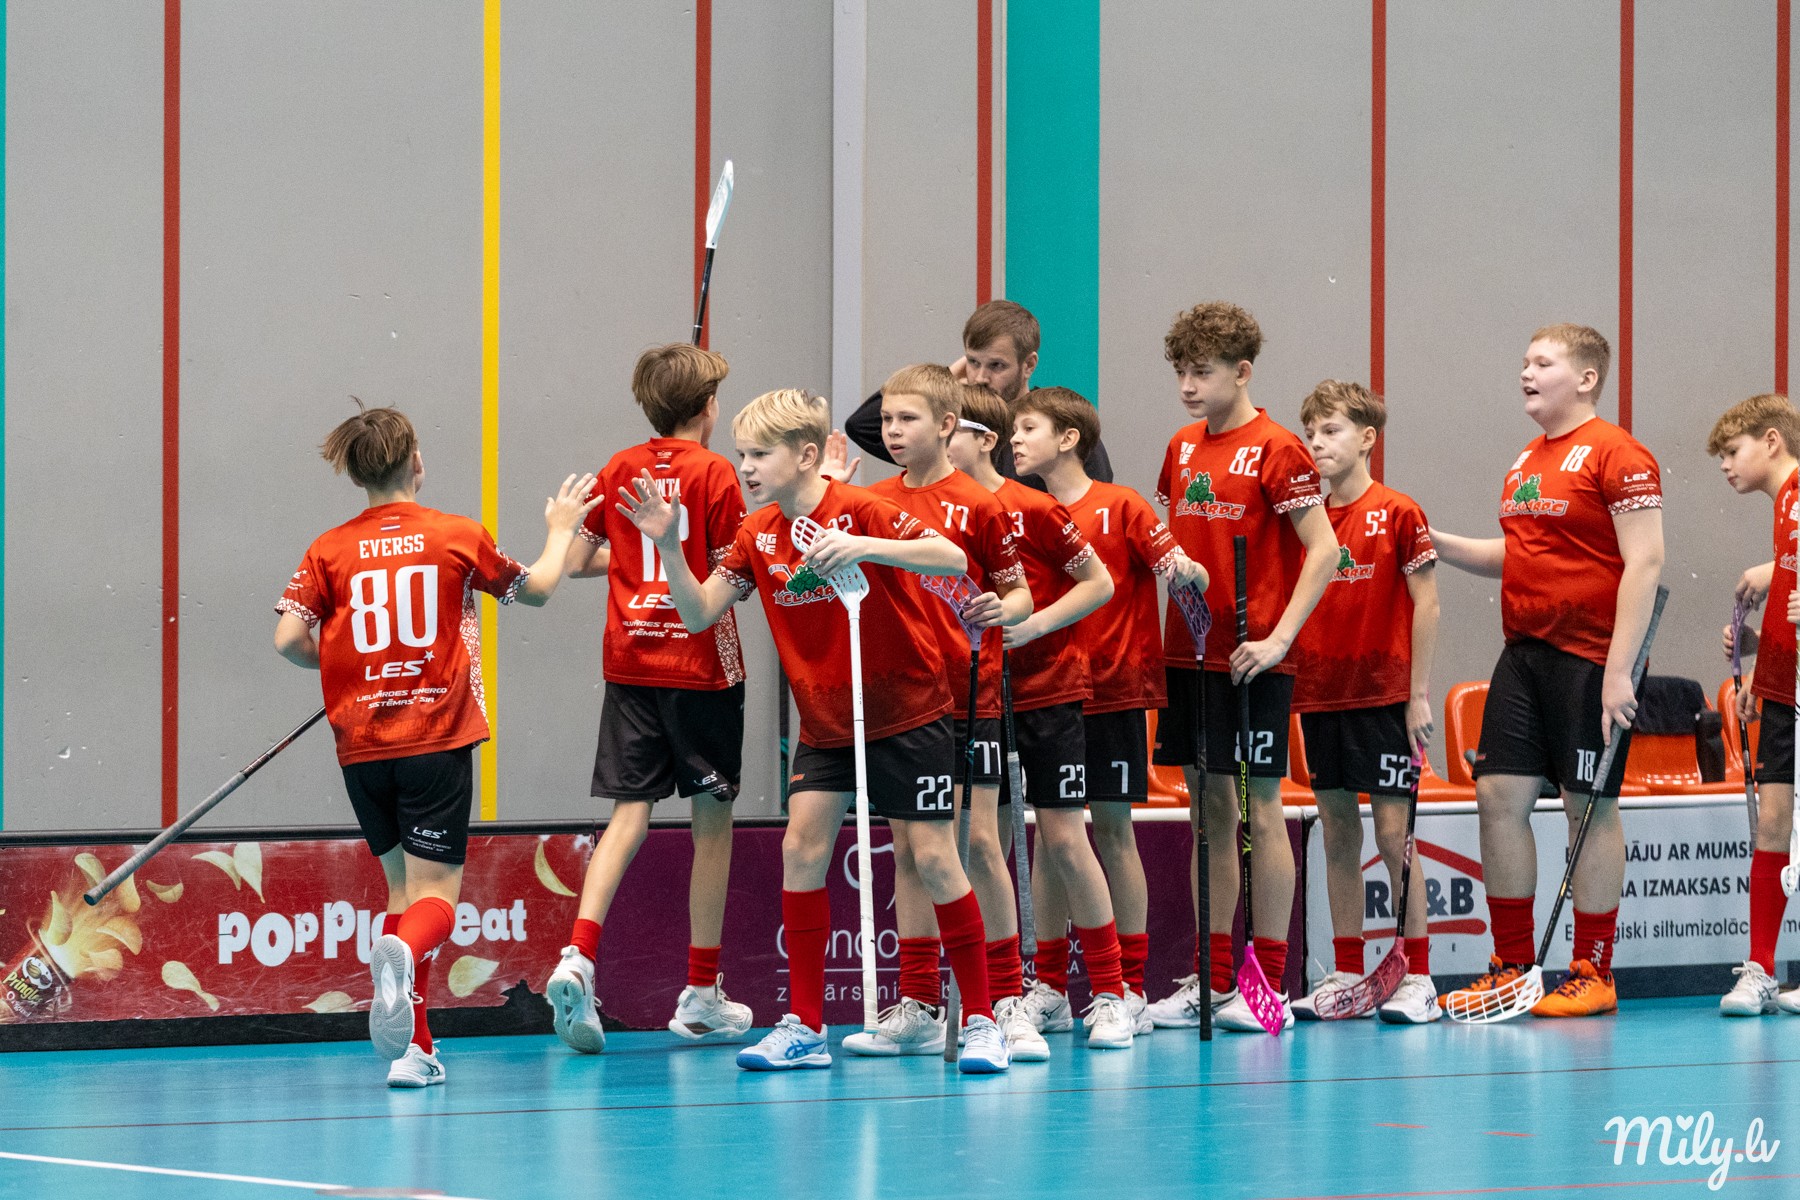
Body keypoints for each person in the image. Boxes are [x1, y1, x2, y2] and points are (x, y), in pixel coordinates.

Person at [618, 387, 1012, 1072]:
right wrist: (669, 548)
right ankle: (804, 1025)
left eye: (758, 455)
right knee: (801, 849)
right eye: (741, 454)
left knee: (935, 857)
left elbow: (951, 558)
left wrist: (863, 545)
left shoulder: (860, 509)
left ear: (805, 456)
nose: (745, 467)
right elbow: (700, 612)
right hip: (827, 719)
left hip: (908, 710)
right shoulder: (757, 532)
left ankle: (981, 1020)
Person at [274, 402, 600, 1086]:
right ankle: (399, 963)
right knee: (436, 902)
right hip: (435, 741)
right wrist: (560, 530)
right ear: (416, 462)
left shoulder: (327, 549)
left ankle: (415, 1050)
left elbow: (289, 640)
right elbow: (538, 589)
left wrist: (345, 670)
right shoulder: (455, 534)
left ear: (356, 475)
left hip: (362, 748)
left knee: (402, 891)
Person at [1434, 324, 1664, 1019]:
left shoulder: (1620, 453)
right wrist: (1435, 541)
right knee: (1497, 796)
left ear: (1587, 378)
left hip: (1592, 657)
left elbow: (1646, 560)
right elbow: (1519, 553)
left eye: (1543, 362)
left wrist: (1619, 671)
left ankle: (1594, 971)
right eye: (1525, 362)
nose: (1526, 373)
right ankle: (1511, 966)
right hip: (1524, 652)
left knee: (1587, 808)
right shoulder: (1525, 461)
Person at [544, 344, 752, 1054]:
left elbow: (578, 560)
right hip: (702, 670)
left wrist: (637, 554)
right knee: (711, 827)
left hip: (631, 663)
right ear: (708, 407)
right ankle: (701, 993)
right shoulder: (717, 472)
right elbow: (733, 567)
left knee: (627, 816)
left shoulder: (621, 467)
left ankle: (579, 954)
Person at [1144, 301, 1338, 1034]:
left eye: (1202, 372)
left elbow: (1325, 550)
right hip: (1189, 653)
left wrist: (1280, 640)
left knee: (1261, 807)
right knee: (1209, 814)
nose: (1188, 387)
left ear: (1243, 371)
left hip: (1254, 659)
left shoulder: (1279, 449)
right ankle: (1214, 977)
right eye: (1180, 373)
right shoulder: (1181, 447)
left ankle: (1270, 980)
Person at [844, 363, 1034, 1058]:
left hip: (970, 696)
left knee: (978, 843)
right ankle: (920, 1002)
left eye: (908, 419)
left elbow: (1020, 595)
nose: (893, 432)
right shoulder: (869, 500)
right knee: (911, 849)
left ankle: (1006, 1001)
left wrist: (1002, 610)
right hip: (904, 701)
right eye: (887, 421)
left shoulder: (981, 504)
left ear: (948, 426)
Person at [1008, 385, 1207, 1035]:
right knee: (1049, 837)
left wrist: (1189, 571)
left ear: (1068, 438)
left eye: (1028, 428)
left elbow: (1178, 565)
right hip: (1046, 693)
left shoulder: (1121, 505)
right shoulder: (1024, 512)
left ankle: (1128, 987)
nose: (1015, 439)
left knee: (1113, 831)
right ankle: (1048, 986)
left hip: (1114, 690)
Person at [1287, 380, 1442, 1024]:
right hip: (1321, 695)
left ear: (1368, 438)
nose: (1317, 444)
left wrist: (1417, 695)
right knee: (1338, 833)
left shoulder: (1399, 512)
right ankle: (1348, 971)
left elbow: (1427, 604)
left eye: (1332, 431)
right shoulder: (1306, 521)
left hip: (1384, 696)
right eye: (1311, 433)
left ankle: (1418, 975)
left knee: (1392, 832)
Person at [1708, 393, 1800, 1016]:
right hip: (1785, 689)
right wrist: (1758, 666)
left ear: (1771, 440)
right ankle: (1761, 969)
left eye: (1731, 451)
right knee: (1772, 825)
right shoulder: (1784, 507)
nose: (1724, 465)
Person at [836, 299, 1113, 487]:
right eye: (973, 362)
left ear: (1028, 365)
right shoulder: (952, 423)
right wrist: (945, 378)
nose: (980, 378)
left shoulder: (1058, 422)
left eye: (996, 365)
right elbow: (863, 426)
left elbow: (1095, 495)